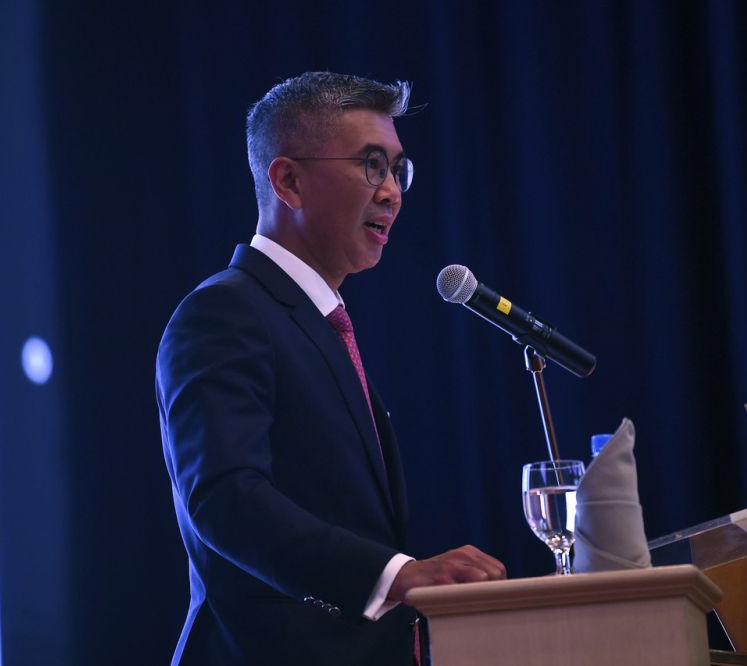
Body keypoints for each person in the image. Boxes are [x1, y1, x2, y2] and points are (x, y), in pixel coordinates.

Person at [156, 72, 506, 665]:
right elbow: (222, 497)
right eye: (372, 165)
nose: (393, 191)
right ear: (288, 180)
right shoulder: (224, 312)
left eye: (398, 169)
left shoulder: (316, 320)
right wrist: (397, 576)